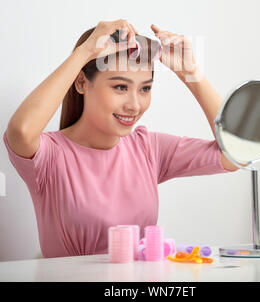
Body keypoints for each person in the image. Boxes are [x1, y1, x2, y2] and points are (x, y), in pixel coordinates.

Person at [3, 19, 237, 258]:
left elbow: (235, 154)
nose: (135, 105)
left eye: (145, 89)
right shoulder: (49, 156)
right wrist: (83, 54)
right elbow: (21, 131)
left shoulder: (149, 148)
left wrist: (192, 75)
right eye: (120, 88)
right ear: (82, 82)